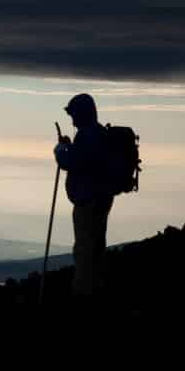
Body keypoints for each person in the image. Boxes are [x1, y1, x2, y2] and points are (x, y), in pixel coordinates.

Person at [54, 93, 114, 298]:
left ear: (83, 113)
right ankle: (96, 290)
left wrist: (61, 149)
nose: (72, 119)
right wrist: (71, 147)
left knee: (85, 252)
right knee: (95, 248)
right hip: (101, 199)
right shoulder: (98, 134)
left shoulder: (87, 135)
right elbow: (86, 161)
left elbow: (71, 162)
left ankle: (84, 296)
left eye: (74, 114)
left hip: (87, 203)